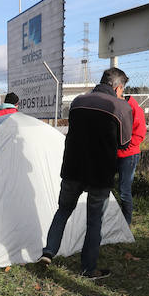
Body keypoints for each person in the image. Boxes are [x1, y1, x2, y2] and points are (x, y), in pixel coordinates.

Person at [38, 68, 133, 279]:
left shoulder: (78, 102)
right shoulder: (121, 107)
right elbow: (125, 142)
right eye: (122, 90)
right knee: (94, 221)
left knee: (62, 211)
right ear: (118, 88)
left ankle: (48, 252)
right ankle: (88, 269)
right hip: (100, 172)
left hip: (72, 167)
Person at [116, 96, 146, 225]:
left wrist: (123, 146)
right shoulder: (113, 105)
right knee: (104, 188)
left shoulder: (132, 107)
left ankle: (126, 223)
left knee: (124, 191)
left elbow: (140, 134)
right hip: (114, 153)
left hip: (129, 155)